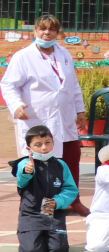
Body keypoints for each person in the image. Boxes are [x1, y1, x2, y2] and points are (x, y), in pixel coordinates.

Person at [2, 14, 89, 216]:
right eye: (42, 29)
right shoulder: (23, 57)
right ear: (35, 32)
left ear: (57, 33)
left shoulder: (64, 54)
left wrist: (80, 109)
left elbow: (72, 84)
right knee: (40, 165)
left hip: (64, 117)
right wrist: (15, 105)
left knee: (71, 157)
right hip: (38, 118)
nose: (46, 32)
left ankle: (73, 200)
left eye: (51, 29)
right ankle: (38, 203)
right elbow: (8, 85)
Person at [10, 124, 78, 252]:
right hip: (31, 214)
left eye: (47, 143)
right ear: (29, 148)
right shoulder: (25, 163)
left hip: (53, 213)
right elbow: (22, 180)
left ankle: (48, 238)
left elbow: (70, 189)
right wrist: (27, 170)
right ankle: (28, 236)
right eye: (38, 144)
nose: (44, 147)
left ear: (53, 143)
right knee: (32, 251)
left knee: (59, 250)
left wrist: (57, 202)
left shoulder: (61, 165)